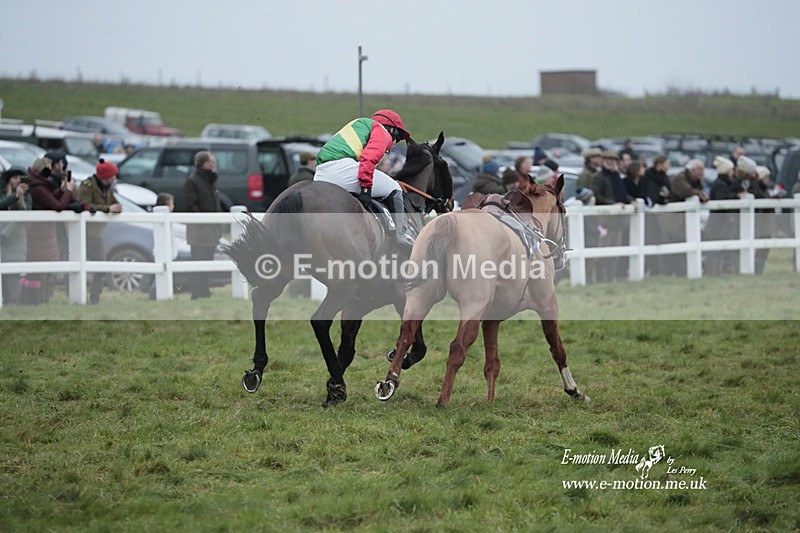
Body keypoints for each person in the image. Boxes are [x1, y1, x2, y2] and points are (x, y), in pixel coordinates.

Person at [313, 109, 413, 249]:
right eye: (398, 137)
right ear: (391, 130)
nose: (395, 143)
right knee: (394, 187)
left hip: (320, 173)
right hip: (341, 170)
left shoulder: (360, 124)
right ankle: (400, 235)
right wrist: (366, 189)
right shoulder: (382, 133)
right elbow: (368, 161)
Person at [24, 157, 76, 304]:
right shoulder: (37, 187)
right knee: (35, 270)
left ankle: (38, 299)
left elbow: (51, 200)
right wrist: (69, 192)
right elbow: (58, 206)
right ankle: (33, 300)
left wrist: (61, 191)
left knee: (39, 269)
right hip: (37, 232)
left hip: (42, 233)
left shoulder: (38, 184)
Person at [76, 159, 123, 304]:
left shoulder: (108, 188)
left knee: (102, 266)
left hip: (96, 235)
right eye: (113, 176)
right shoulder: (87, 186)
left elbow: (113, 203)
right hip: (82, 234)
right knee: (77, 268)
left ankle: (95, 297)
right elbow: (84, 205)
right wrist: (107, 209)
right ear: (106, 177)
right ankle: (76, 296)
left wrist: (117, 207)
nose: (115, 178)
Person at [590, 151, 637, 282]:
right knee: (603, 251)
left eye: (614, 160)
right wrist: (612, 204)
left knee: (615, 251)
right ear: (603, 161)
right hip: (604, 219)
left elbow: (622, 194)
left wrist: (631, 200)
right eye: (608, 160)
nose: (611, 162)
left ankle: (611, 279)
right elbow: (597, 196)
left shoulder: (617, 177)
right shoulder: (597, 177)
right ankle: (602, 280)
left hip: (618, 220)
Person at [183, 150, 223, 299]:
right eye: (211, 162)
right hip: (200, 231)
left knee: (208, 261)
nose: (214, 165)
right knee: (198, 262)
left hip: (211, 231)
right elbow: (191, 206)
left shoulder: (211, 182)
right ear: (204, 164)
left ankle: (205, 291)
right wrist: (205, 222)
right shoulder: (192, 182)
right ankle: (196, 292)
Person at [0, 168, 31, 305]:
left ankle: (13, 301)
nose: (17, 181)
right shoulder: (2, 193)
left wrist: (5, 234)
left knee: (14, 271)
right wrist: (15, 196)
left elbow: (24, 215)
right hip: (2, 237)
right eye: (14, 178)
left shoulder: (28, 196)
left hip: (16, 238)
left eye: (20, 178)